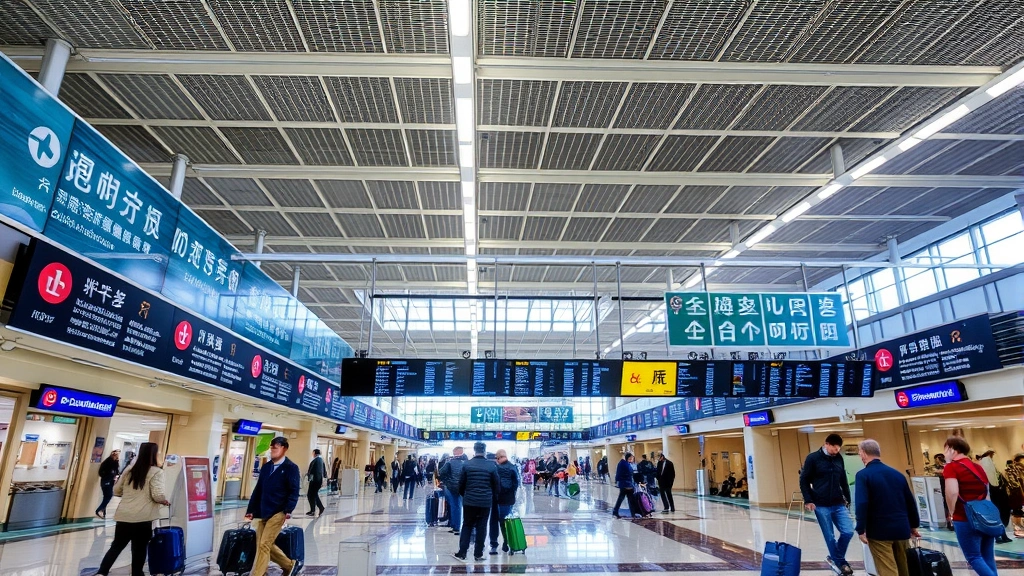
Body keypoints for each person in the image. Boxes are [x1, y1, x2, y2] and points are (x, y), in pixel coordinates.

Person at [95, 443, 169, 576]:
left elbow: (116, 490)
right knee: (139, 549)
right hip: (143, 517)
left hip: (124, 515)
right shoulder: (157, 472)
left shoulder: (129, 470)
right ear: (154, 454)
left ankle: (102, 571)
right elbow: (157, 495)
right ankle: (136, 573)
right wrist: (164, 501)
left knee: (116, 546)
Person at [854, 439, 920, 576]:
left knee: (887, 569)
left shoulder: (863, 475)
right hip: (902, 529)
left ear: (864, 454)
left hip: (879, 531)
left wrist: (860, 528)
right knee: (904, 569)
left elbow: (862, 503)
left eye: (860, 452)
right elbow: (910, 502)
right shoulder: (897, 475)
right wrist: (914, 525)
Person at [245, 436, 301, 576]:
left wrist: (288, 510)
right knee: (264, 544)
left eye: (276, 448)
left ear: (284, 449)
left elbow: (294, 490)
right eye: (272, 448)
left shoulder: (291, 468)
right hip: (263, 510)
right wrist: (251, 510)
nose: (273, 450)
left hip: (279, 512)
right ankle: (290, 565)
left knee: (264, 544)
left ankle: (258, 573)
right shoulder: (266, 467)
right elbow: (258, 490)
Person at [800, 433, 854, 576]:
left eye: (838, 449)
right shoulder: (813, 458)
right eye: (834, 449)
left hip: (838, 503)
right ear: (826, 444)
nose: (836, 452)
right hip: (821, 504)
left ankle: (835, 558)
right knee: (829, 536)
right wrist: (808, 500)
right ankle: (842, 563)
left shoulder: (839, 458)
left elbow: (843, 479)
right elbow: (804, 480)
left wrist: (848, 498)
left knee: (848, 531)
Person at [942, 436, 998, 576]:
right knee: (987, 557)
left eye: (945, 449)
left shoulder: (951, 468)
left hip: (964, 517)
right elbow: (987, 493)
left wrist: (951, 512)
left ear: (951, 449)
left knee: (974, 557)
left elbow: (952, 492)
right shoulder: (978, 467)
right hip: (984, 517)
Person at [452, 442, 499, 562]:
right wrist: (490, 496)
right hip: (485, 502)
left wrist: (466, 495)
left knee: (467, 525)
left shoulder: (467, 464)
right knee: (482, 527)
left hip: (469, 501)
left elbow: (461, 484)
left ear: (474, 450)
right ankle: (478, 554)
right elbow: (496, 485)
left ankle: (462, 553)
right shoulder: (492, 465)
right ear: (485, 451)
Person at [977, 450, 1013, 543]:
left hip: (999, 494)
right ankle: (998, 536)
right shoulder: (985, 463)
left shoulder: (992, 465)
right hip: (993, 494)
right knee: (996, 515)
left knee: (1001, 513)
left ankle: (1002, 534)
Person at [490, 449, 520, 554]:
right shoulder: (513, 467)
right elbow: (516, 483)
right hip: (508, 499)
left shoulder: (495, 468)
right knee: (505, 522)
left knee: (494, 522)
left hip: (495, 499)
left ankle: (493, 545)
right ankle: (507, 543)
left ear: (498, 458)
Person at [439, 447, 468, 534]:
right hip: (463, 487)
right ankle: (461, 526)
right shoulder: (467, 463)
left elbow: (441, 472)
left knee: (454, 506)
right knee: (461, 507)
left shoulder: (450, 462)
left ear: (455, 453)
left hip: (451, 487)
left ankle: (455, 526)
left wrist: (446, 481)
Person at [612, 453, 639, 519]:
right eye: (631, 458)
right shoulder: (625, 464)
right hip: (627, 485)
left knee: (622, 499)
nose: (632, 460)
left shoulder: (621, 463)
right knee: (630, 499)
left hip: (623, 484)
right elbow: (630, 472)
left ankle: (616, 511)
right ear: (628, 458)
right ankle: (633, 514)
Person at [95, 449, 120, 519]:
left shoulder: (114, 463)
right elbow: (102, 472)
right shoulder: (109, 462)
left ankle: (103, 512)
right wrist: (109, 476)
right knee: (109, 495)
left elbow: (116, 472)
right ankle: (99, 509)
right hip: (107, 481)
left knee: (106, 496)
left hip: (109, 481)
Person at [1006, 455, 1024, 538]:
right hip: (1016, 494)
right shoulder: (1012, 470)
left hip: (1019, 494)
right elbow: (1014, 484)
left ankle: (1019, 527)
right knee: (1017, 510)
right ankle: (1017, 528)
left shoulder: (1020, 470)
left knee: (1019, 510)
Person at [305, 448, 327, 517]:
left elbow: (313, 471)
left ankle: (318, 508)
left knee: (311, 495)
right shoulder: (320, 460)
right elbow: (324, 471)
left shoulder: (317, 460)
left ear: (314, 453)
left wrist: (310, 479)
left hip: (315, 481)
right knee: (313, 495)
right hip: (317, 480)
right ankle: (314, 510)